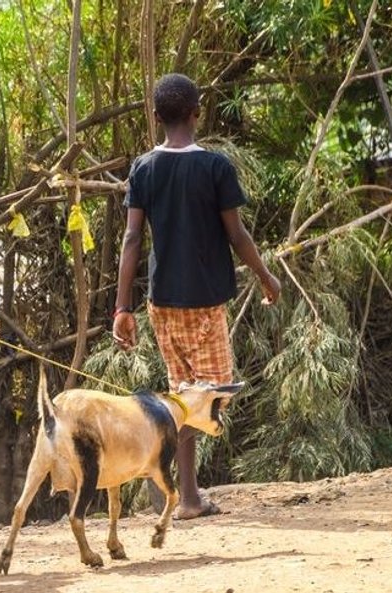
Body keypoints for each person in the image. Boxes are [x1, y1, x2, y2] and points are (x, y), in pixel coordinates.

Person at [112, 73, 281, 520]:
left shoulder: (143, 168)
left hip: (162, 301)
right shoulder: (215, 167)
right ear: (197, 112)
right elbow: (237, 234)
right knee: (206, 397)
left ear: (155, 117)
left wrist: (122, 306)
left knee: (183, 393)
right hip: (205, 303)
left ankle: (180, 490)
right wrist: (265, 275)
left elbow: (132, 240)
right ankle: (183, 494)